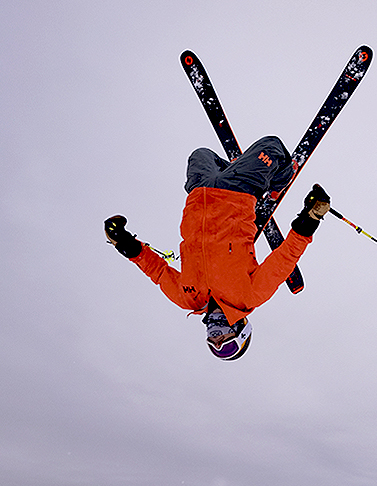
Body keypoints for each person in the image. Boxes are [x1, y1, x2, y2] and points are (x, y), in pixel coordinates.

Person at [104, 135, 330, 360]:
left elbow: (158, 271)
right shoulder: (249, 297)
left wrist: (123, 242)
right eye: (226, 341)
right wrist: (311, 217)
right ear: (241, 331)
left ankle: (236, 167)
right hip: (238, 192)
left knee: (200, 154)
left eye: (212, 341)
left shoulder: (188, 299)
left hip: (198, 194)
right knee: (272, 146)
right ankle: (277, 181)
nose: (215, 337)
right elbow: (285, 259)